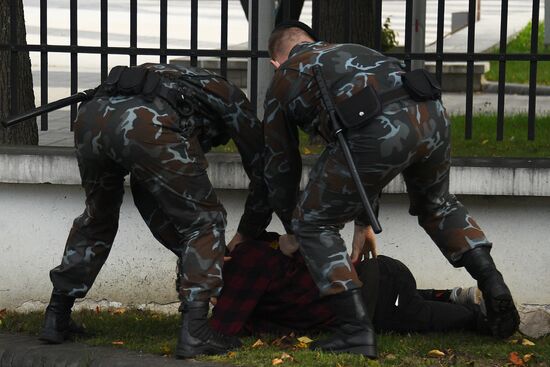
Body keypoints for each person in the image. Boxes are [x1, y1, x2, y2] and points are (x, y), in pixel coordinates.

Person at [229, 21, 519, 358]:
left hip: (374, 130)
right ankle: (493, 284)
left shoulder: (285, 76)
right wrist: (364, 223)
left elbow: (281, 168)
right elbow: (363, 157)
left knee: (313, 223)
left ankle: (354, 331)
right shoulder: (353, 53)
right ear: (316, 41)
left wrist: (295, 230)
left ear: (275, 63)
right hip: (432, 113)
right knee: (438, 205)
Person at [38, 63, 272, 359]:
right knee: (205, 221)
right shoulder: (231, 99)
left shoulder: (174, 81)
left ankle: (56, 315)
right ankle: (195, 331)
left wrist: (193, 256)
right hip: (148, 124)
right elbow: (263, 170)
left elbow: (152, 199)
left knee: (97, 217)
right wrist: (248, 232)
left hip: (91, 117)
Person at [212, 232, 489, 337]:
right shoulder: (255, 252)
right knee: (408, 301)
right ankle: (454, 295)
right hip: (374, 278)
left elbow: (226, 329)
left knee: (419, 316)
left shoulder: (243, 265)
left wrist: (216, 303)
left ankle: (481, 317)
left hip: (374, 294)